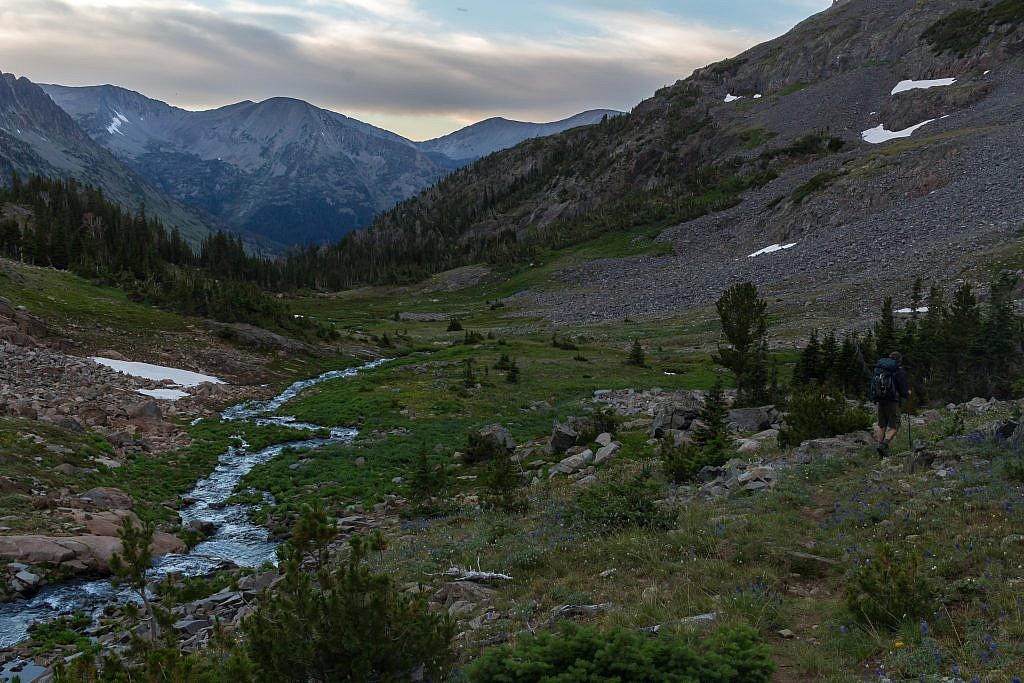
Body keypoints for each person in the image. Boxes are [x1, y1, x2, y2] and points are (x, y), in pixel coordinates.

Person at [871, 351, 909, 456]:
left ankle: (879, 445)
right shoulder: (897, 370)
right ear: (899, 360)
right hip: (893, 401)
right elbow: (902, 388)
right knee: (895, 426)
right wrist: (906, 395)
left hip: (880, 399)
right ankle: (885, 444)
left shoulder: (880, 370)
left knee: (881, 424)